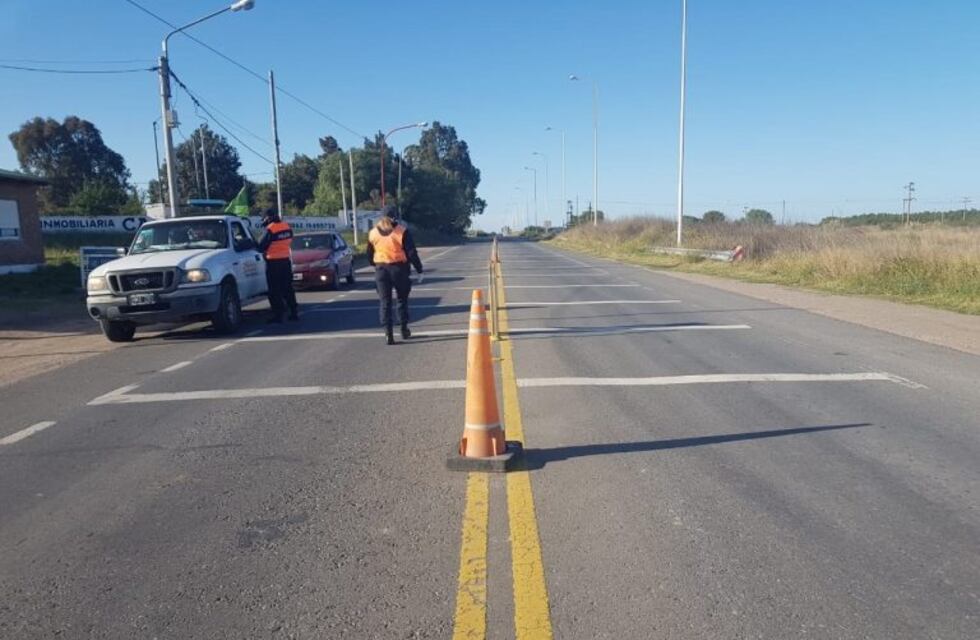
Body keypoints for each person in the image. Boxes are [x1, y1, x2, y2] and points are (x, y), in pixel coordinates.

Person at [367, 207, 424, 345]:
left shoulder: (373, 233)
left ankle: (388, 334)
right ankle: (404, 329)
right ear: (395, 217)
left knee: (385, 302)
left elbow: (369, 253)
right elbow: (411, 253)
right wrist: (419, 269)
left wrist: (376, 265)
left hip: (381, 269)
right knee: (401, 300)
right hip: (399, 269)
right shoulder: (401, 231)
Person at [256, 210, 299, 323]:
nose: (263, 221)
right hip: (285, 261)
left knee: (274, 291)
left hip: (273, 263)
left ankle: (278, 315)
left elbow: (260, 246)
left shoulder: (270, 229)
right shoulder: (286, 226)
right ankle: (294, 312)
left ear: (268, 218)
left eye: (264, 218)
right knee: (288, 288)